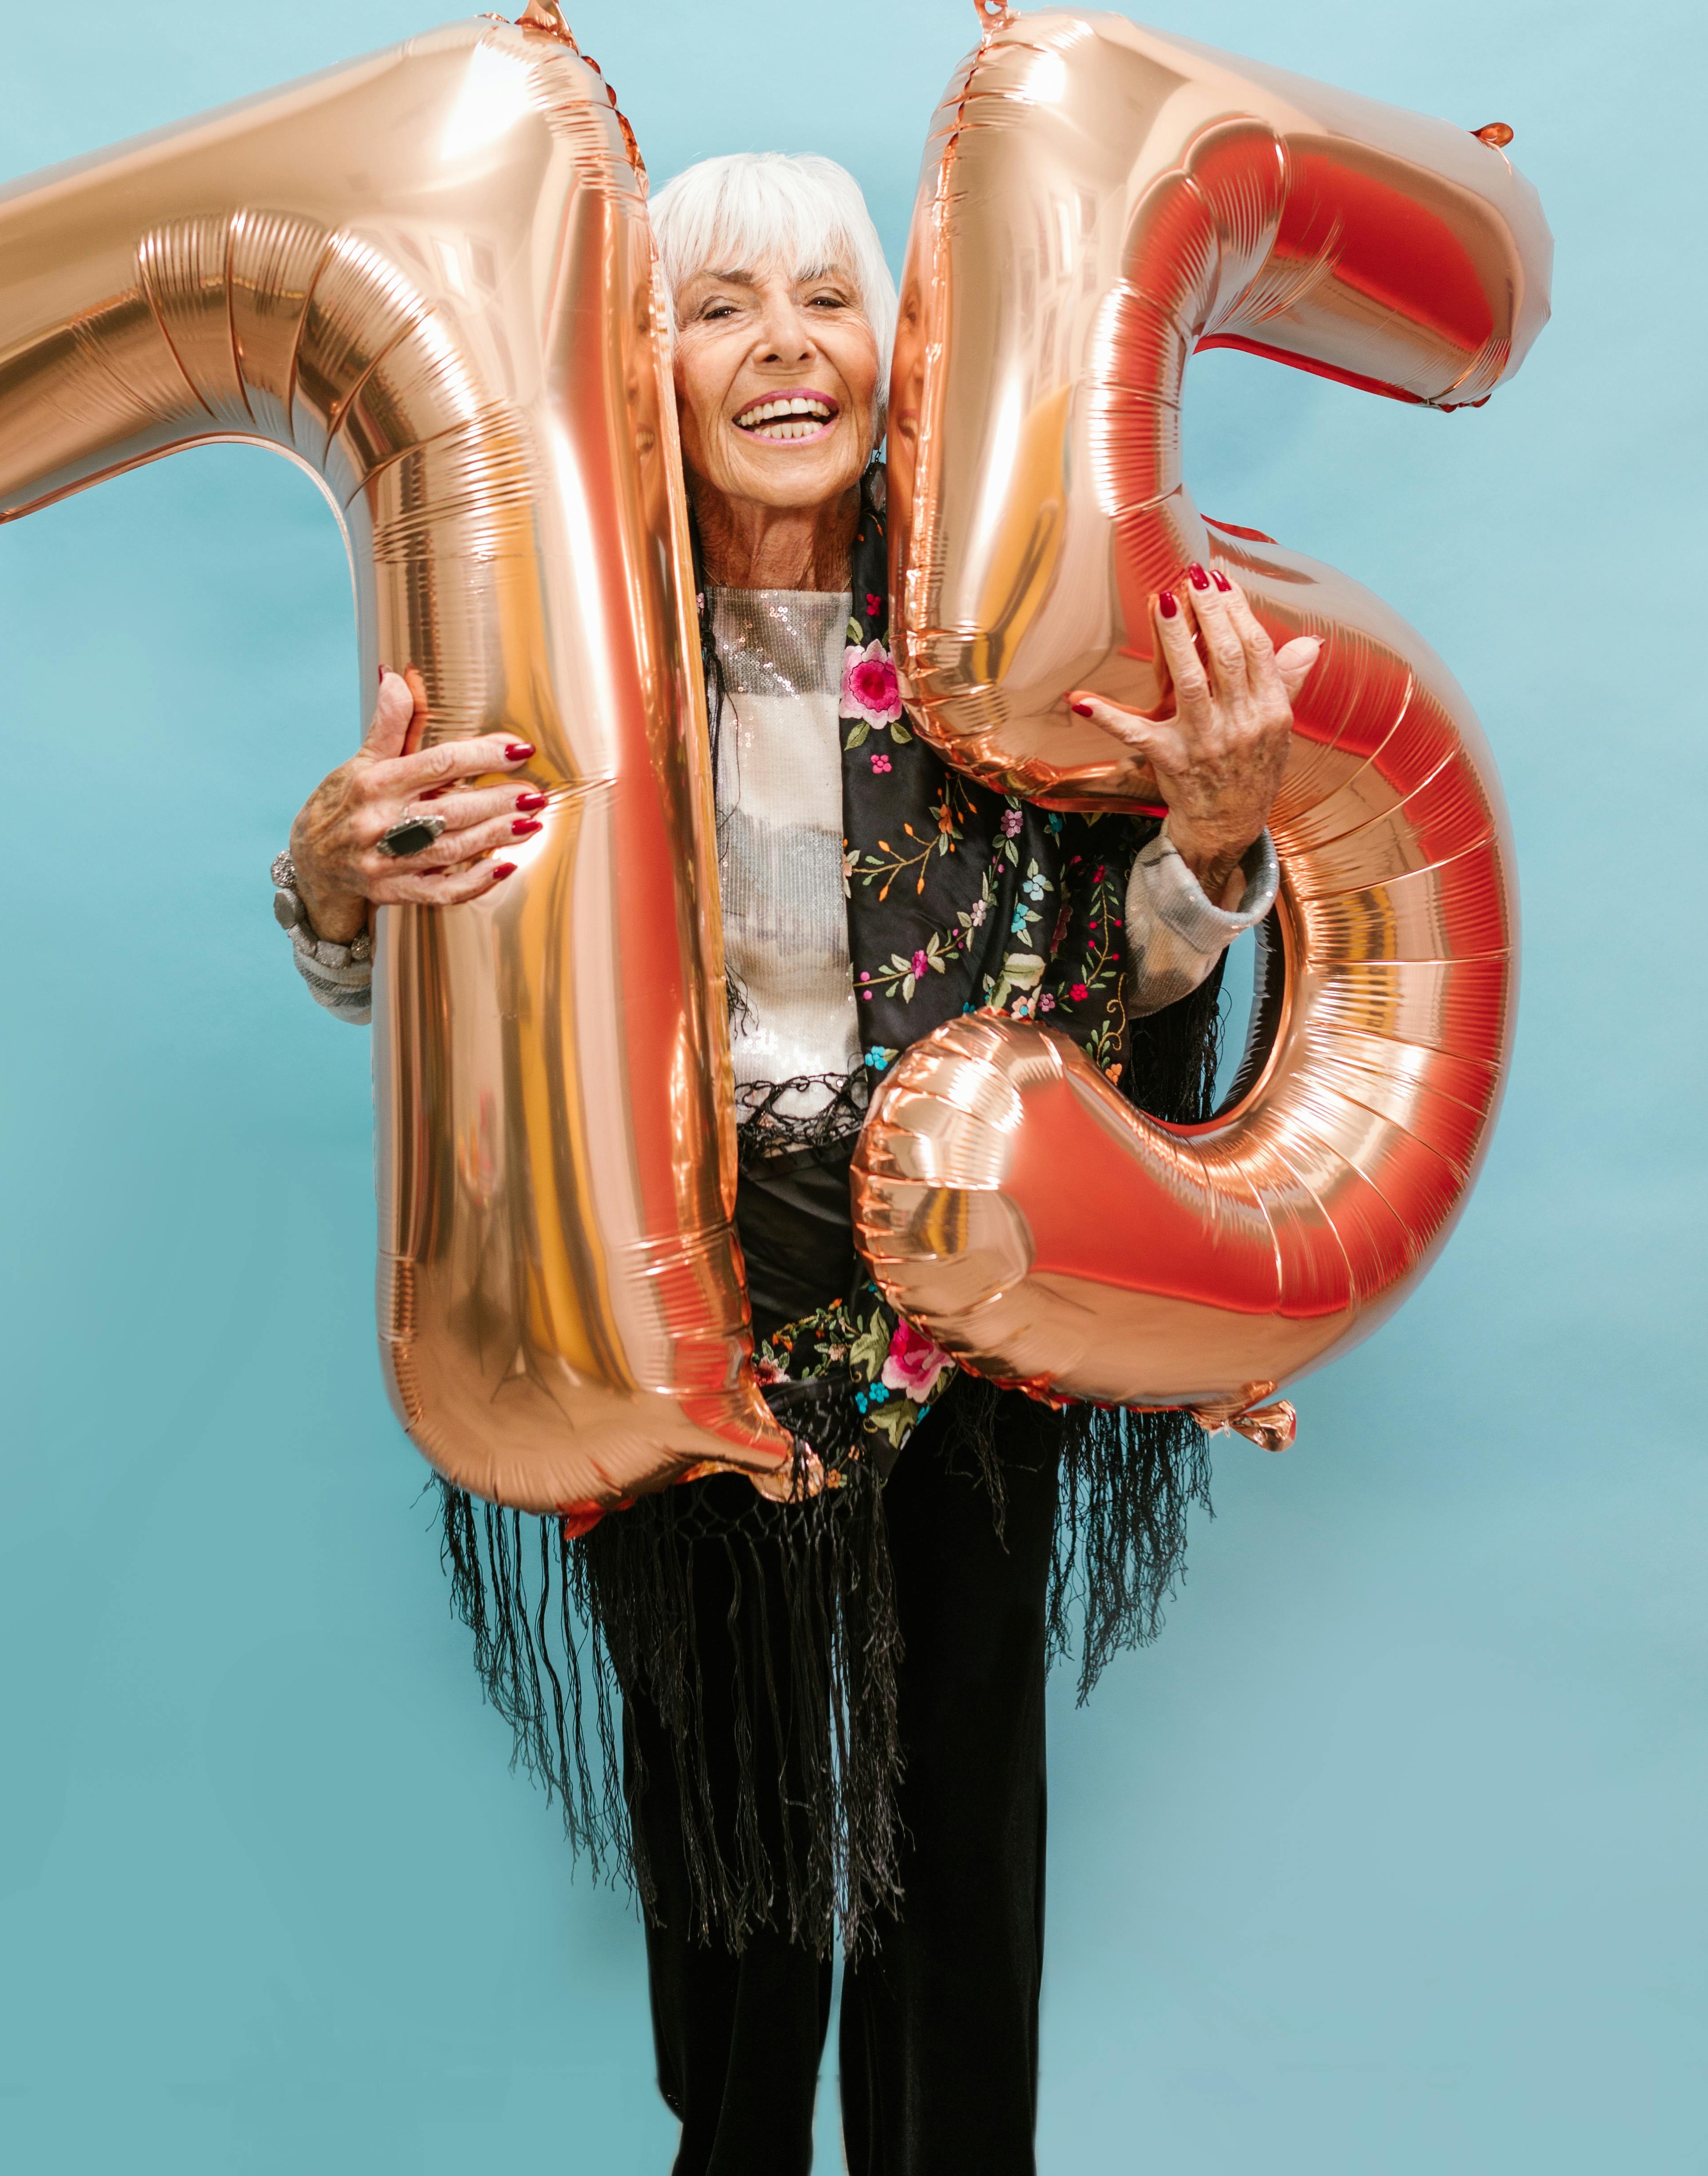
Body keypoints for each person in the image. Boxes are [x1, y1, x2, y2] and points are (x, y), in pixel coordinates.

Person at [271, 153, 1316, 2176]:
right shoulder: (557, 663)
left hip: (968, 1292)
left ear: (895, 356)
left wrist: (1212, 845)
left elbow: (1117, 966)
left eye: (824, 299)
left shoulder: (999, 651)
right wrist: (329, 892)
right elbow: (442, 1005)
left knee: (957, 1865)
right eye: (717, 303)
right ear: (634, 370)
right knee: (727, 1866)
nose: (778, 345)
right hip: (686, 1305)